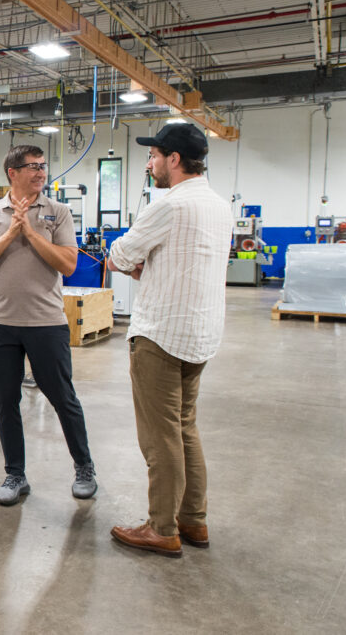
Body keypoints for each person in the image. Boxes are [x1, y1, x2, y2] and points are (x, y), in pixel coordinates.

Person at [106, 123, 233, 557]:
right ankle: (192, 521)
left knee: (160, 437)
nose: (149, 163)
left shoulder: (169, 205)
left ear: (174, 159)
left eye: (154, 155)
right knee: (185, 428)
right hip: (200, 333)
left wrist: (137, 263)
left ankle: (161, 528)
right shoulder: (219, 205)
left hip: (160, 335)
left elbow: (120, 255)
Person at [0, 145, 97, 506]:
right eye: (33, 167)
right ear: (13, 172)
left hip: (46, 323)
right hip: (1, 324)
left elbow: (68, 264)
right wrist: (9, 234)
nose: (41, 172)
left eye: (43, 166)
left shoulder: (59, 211)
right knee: (7, 402)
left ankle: (84, 467)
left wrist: (32, 233)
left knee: (63, 399)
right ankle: (15, 474)